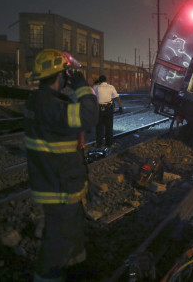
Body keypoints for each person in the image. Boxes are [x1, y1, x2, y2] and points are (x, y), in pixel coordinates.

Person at [24, 49, 98, 281]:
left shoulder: (42, 101)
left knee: (72, 233)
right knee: (56, 241)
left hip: (63, 182)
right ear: (59, 76)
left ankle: (75, 270)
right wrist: (82, 86)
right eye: (66, 73)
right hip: (58, 186)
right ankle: (45, 277)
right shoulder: (49, 105)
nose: (68, 77)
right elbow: (88, 116)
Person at [93, 75, 123, 148]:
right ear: (106, 80)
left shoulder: (96, 87)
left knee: (99, 127)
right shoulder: (111, 87)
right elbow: (117, 98)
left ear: (99, 81)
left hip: (99, 109)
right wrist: (120, 107)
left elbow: (93, 97)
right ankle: (109, 143)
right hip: (109, 109)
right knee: (109, 126)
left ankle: (99, 143)